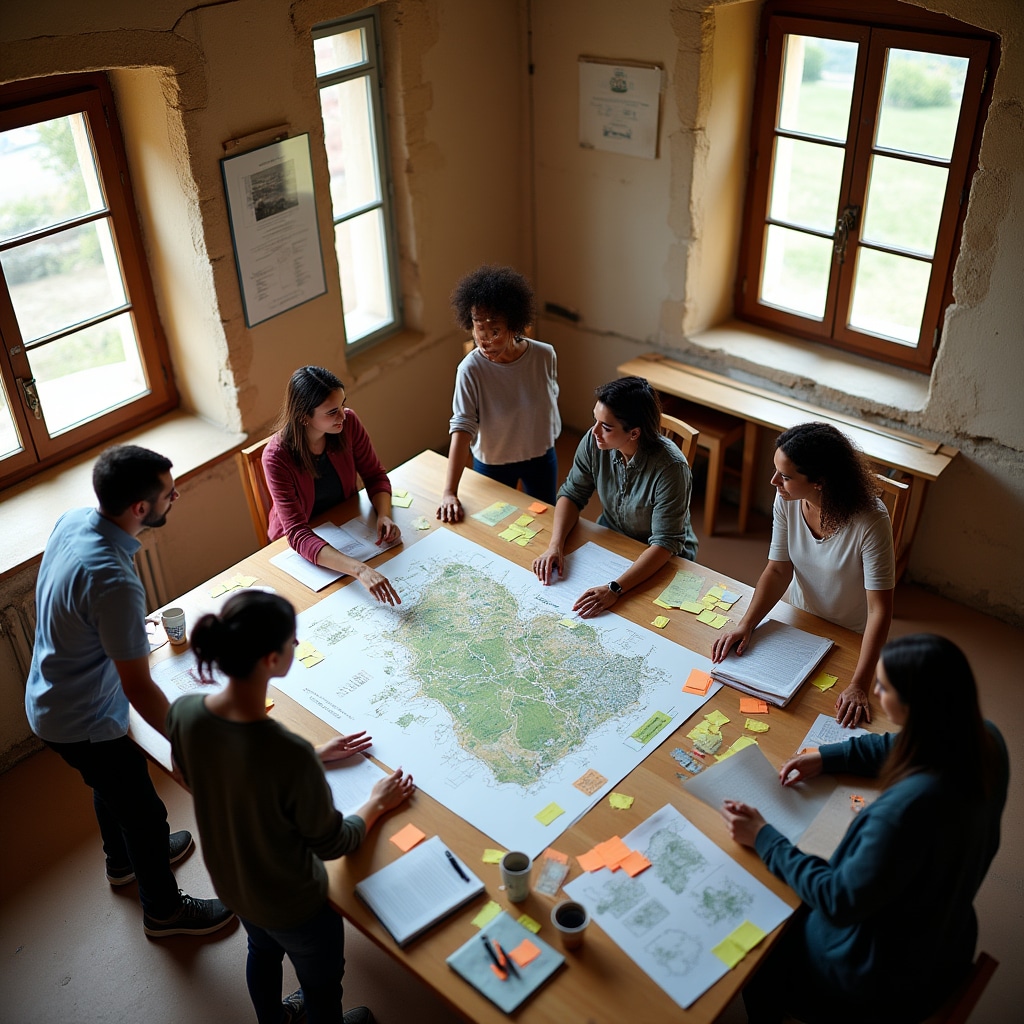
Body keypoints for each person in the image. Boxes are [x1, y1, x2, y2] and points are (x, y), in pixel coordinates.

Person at [720, 634, 1008, 1024]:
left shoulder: (903, 814)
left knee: (757, 956)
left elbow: (838, 898)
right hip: (946, 940)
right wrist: (828, 756)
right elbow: (902, 745)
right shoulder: (986, 738)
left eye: (883, 686)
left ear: (915, 707)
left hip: (876, 979)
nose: (872, 689)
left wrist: (764, 837)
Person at [167, 591, 415, 1024]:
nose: (296, 646)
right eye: (291, 640)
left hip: (232, 884)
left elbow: (203, 772)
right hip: (295, 906)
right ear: (270, 659)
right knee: (321, 986)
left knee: (260, 951)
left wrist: (315, 755)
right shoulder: (289, 755)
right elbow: (334, 843)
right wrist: (375, 803)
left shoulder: (186, 712)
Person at [24, 445, 234, 938]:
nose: (175, 494)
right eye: (168, 492)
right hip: (82, 719)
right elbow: (138, 686)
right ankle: (164, 911)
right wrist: (181, 745)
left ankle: (121, 864)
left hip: (50, 696)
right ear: (141, 509)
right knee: (143, 813)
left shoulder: (73, 519)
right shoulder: (115, 581)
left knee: (110, 786)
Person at [712, 422, 894, 727]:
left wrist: (859, 684)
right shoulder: (788, 500)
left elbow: (880, 609)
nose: (773, 482)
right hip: (799, 619)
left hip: (850, 636)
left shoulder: (871, 522)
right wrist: (745, 624)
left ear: (820, 481)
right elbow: (778, 569)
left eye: (784, 476)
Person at [532, 376, 698, 617]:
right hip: (611, 539)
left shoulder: (672, 468)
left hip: (663, 557)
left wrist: (615, 589)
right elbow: (572, 493)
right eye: (595, 420)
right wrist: (554, 546)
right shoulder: (594, 440)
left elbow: (665, 543)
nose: (595, 432)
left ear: (634, 433)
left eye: (606, 427)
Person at [264, 366, 401, 606]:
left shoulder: (348, 424)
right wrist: (359, 570)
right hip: (297, 547)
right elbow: (297, 533)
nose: (343, 416)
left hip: (346, 525)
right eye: (332, 412)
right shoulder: (276, 458)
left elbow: (375, 475)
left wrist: (384, 515)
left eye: (342, 405)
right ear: (304, 417)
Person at [437, 265, 561, 522]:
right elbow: (462, 428)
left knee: (544, 523)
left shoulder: (544, 355)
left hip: (541, 456)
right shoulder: (469, 369)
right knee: (495, 529)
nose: (486, 342)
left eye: (494, 332)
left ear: (514, 326)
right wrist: (449, 492)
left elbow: (549, 401)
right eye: (479, 332)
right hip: (493, 462)